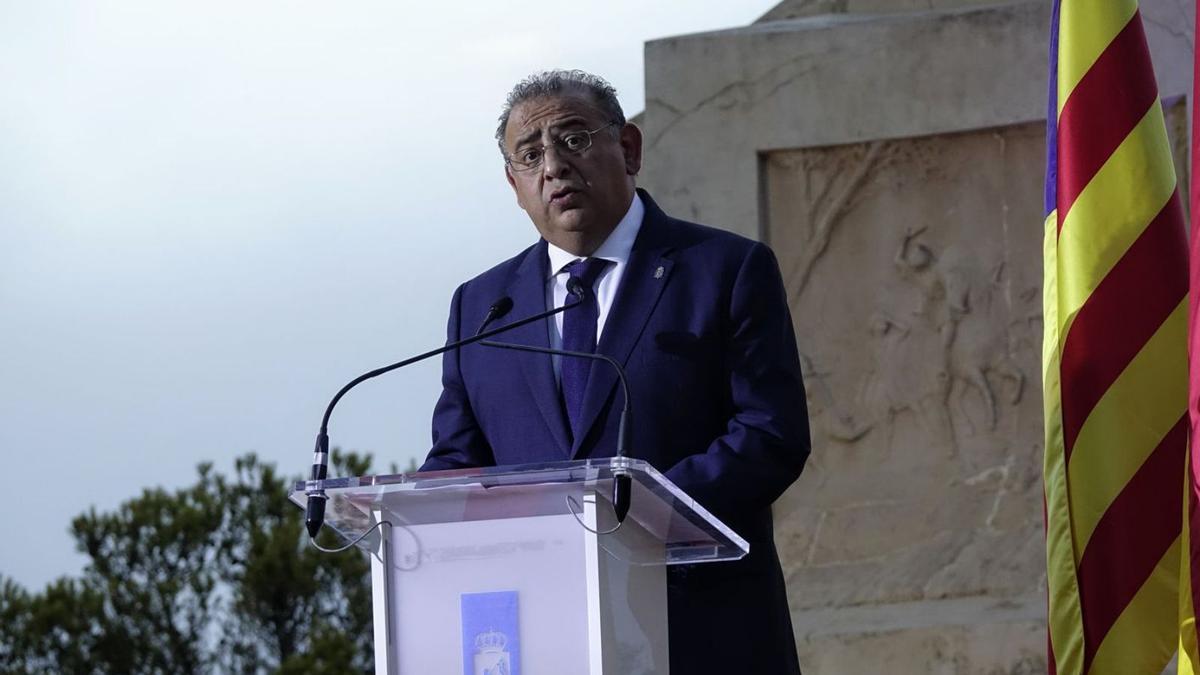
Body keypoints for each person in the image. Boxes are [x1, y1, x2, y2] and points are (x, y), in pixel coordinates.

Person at [421, 69, 810, 674]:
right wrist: (412, 518)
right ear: (514, 183)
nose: (552, 165)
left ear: (628, 149)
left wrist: (632, 517)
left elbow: (769, 434)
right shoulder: (482, 306)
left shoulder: (723, 269)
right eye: (530, 155)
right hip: (543, 637)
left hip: (701, 631)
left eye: (573, 139)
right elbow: (458, 460)